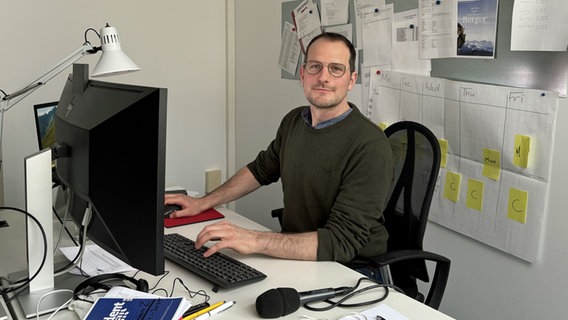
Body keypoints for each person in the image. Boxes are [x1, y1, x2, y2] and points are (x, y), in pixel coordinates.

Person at [166, 32, 393, 267]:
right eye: (315, 67)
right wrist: (203, 202)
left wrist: (254, 239)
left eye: (336, 69)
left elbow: (340, 241)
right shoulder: (294, 121)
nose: (323, 77)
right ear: (303, 74)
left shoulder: (369, 145)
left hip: (352, 269)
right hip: (297, 254)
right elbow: (260, 170)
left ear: (352, 79)